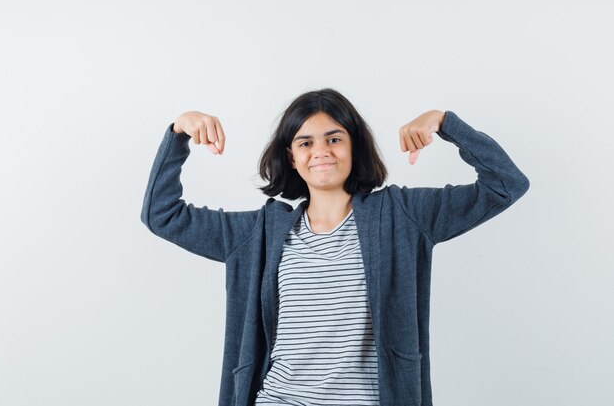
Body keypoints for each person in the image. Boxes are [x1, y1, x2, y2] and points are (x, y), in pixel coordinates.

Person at [140, 88, 530, 406]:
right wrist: (179, 132)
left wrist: (444, 122)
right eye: (305, 142)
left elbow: (506, 184)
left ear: (353, 147)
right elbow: (162, 215)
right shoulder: (258, 232)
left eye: (334, 138)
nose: (321, 151)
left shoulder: (402, 216)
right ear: (292, 158)